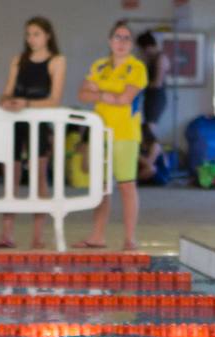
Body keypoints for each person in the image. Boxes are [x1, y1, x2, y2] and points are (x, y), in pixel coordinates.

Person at [76, 20, 147, 251]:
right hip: (101, 132)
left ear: (132, 43)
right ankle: (97, 236)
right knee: (101, 187)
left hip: (125, 133)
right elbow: (82, 94)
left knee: (126, 185)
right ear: (110, 41)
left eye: (126, 38)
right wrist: (110, 95)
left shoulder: (137, 68)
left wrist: (100, 92)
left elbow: (125, 99)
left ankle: (130, 237)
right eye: (118, 37)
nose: (121, 42)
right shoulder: (99, 66)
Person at [0, 17, 65, 249]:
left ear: (47, 35)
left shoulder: (57, 61)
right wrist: (6, 102)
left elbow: (54, 100)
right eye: (28, 34)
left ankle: (38, 235)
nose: (31, 39)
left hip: (39, 123)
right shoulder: (19, 60)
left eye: (36, 34)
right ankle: (7, 233)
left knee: (39, 179)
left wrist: (26, 104)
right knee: (11, 179)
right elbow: (6, 92)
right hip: (15, 123)